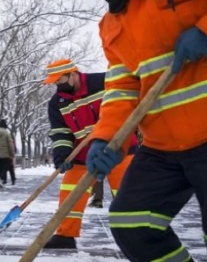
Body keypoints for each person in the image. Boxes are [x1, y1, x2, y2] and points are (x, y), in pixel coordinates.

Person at [51, 0, 207, 261]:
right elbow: (122, 88)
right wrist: (105, 138)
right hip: (163, 146)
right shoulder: (112, 26)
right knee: (131, 224)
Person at [43, 58, 137, 249]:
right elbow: (61, 132)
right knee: (69, 194)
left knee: (129, 193)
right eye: (54, 82)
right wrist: (62, 154)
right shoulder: (57, 102)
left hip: (119, 148)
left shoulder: (104, 82)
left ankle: (140, 235)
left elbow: (125, 106)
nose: (58, 86)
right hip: (82, 155)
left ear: (73, 74)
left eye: (60, 80)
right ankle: (65, 236)